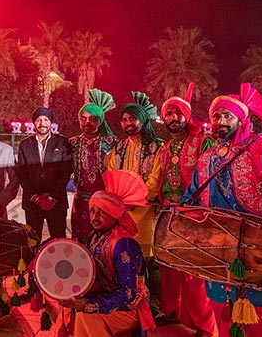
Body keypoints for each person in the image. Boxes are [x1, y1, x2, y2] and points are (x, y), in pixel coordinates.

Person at [181, 83, 262, 337]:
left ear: (241, 119)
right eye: (216, 116)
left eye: (227, 116)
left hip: (257, 245)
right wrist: (180, 214)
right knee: (221, 310)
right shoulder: (207, 157)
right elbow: (191, 195)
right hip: (217, 247)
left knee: (261, 319)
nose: (220, 121)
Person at [59, 170, 156, 337]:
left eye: (102, 212)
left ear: (114, 214)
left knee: (85, 316)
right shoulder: (96, 236)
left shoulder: (123, 244)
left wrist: (89, 304)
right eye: (92, 211)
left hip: (128, 309)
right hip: (105, 297)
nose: (95, 217)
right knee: (70, 309)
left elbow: (128, 293)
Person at [157, 84, 216, 336]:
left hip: (195, 215)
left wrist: (198, 210)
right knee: (170, 267)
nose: (173, 118)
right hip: (169, 212)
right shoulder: (165, 147)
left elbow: (210, 177)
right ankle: (172, 313)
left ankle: (202, 324)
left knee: (195, 272)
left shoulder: (203, 142)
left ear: (187, 115)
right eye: (169, 114)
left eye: (178, 113)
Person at [106, 91, 164, 319]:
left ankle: (154, 308)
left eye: (133, 119)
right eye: (124, 119)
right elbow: (111, 175)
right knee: (127, 261)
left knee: (150, 264)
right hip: (123, 215)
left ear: (143, 120)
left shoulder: (157, 148)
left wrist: (135, 199)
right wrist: (119, 200)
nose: (128, 123)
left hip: (147, 214)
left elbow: (155, 179)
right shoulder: (118, 148)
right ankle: (131, 305)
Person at [17, 106, 72, 241]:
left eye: (46, 119)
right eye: (38, 120)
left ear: (51, 122)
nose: (42, 123)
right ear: (34, 123)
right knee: (32, 242)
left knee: (58, 241)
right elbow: (22, 173)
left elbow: (65, 172)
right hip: (33, 202)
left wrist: (52, 197)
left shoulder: (63, 143)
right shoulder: (25, 145)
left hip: (56, 202)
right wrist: (36, 197)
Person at [69, 89, 117, 243]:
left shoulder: (112, 143)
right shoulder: (72, 143)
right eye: (83, 119)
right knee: (80, 241)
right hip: (81, 202)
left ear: (100, 121)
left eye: (92, 119)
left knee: (103, 240)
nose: (87, 122)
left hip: (103, 202)